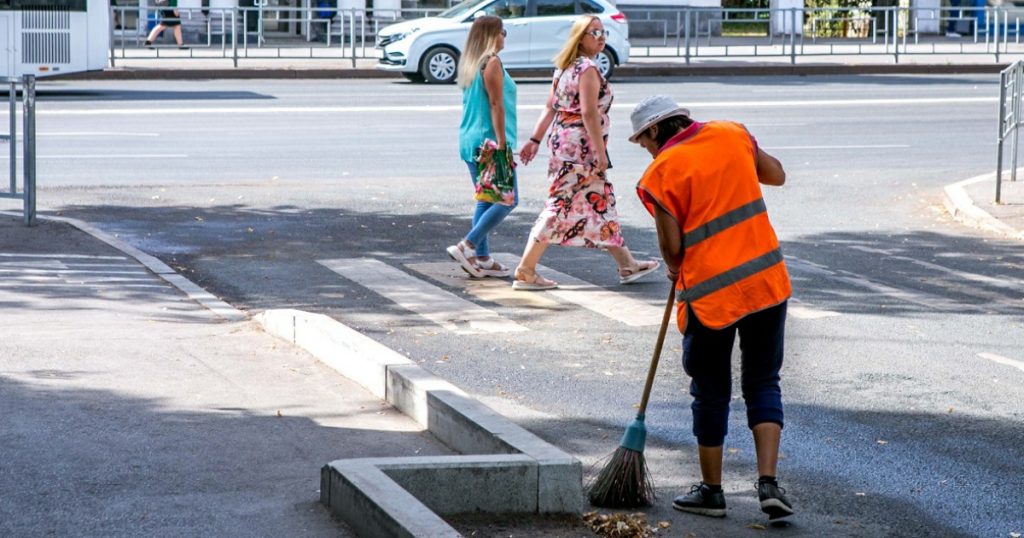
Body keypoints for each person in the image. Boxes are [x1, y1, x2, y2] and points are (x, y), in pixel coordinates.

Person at [629, 95, 794, 522]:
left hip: (711, 295)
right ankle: (769, 483)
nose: (645, 149)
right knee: (762, 381)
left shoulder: (660, 172)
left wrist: (671, 266)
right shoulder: (731, 133)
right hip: (764, 283)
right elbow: (775, 175)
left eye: (643, 141)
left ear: (654, 130)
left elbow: (673, 248)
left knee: (710, 390)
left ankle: (712, 491)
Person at [514, 15, 659, 291]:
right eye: (594, 32)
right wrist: (600, 152)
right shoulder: (588, 68)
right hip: (581, 149)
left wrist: (535, 139)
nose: (601, 37)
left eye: (603, 32)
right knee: (560, 204)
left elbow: (550, 108)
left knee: (599, 201)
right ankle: (526, 269)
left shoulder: (564, 67)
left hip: (563, 143)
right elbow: (588, 113)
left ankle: (627, 263)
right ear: (580, 37)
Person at [446, 15, 517, 279]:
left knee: (487, 199)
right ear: (492, 35)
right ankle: (468, 245)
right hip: (489, 140)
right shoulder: (492, 62)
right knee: (508, 200)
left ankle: (483, 258)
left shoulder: (471, 62)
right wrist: (501, 143)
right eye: (502, 32)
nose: (504, 37)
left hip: (469, 139)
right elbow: (495, 105)